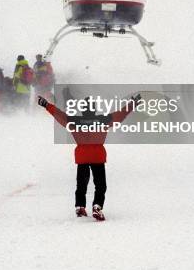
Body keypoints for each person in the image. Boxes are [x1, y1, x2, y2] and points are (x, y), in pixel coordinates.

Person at [38, 93, 141, 221]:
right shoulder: (104, 119)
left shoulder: (74, 121)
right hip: (97, 157)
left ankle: (80, 206)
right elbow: (120, 114)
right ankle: (97, 206)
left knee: (81, 184)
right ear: (94, 108)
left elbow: (59, 115)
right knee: (100, 185)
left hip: (82, 157)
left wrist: (46, 105)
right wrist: (132, 104)